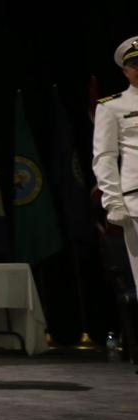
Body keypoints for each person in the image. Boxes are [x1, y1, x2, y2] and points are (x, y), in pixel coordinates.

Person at [93, 36, 138, 292]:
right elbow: (104, 156)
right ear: (125, 70)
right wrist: (113, 201)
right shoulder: (113, 107)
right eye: (135, 64)